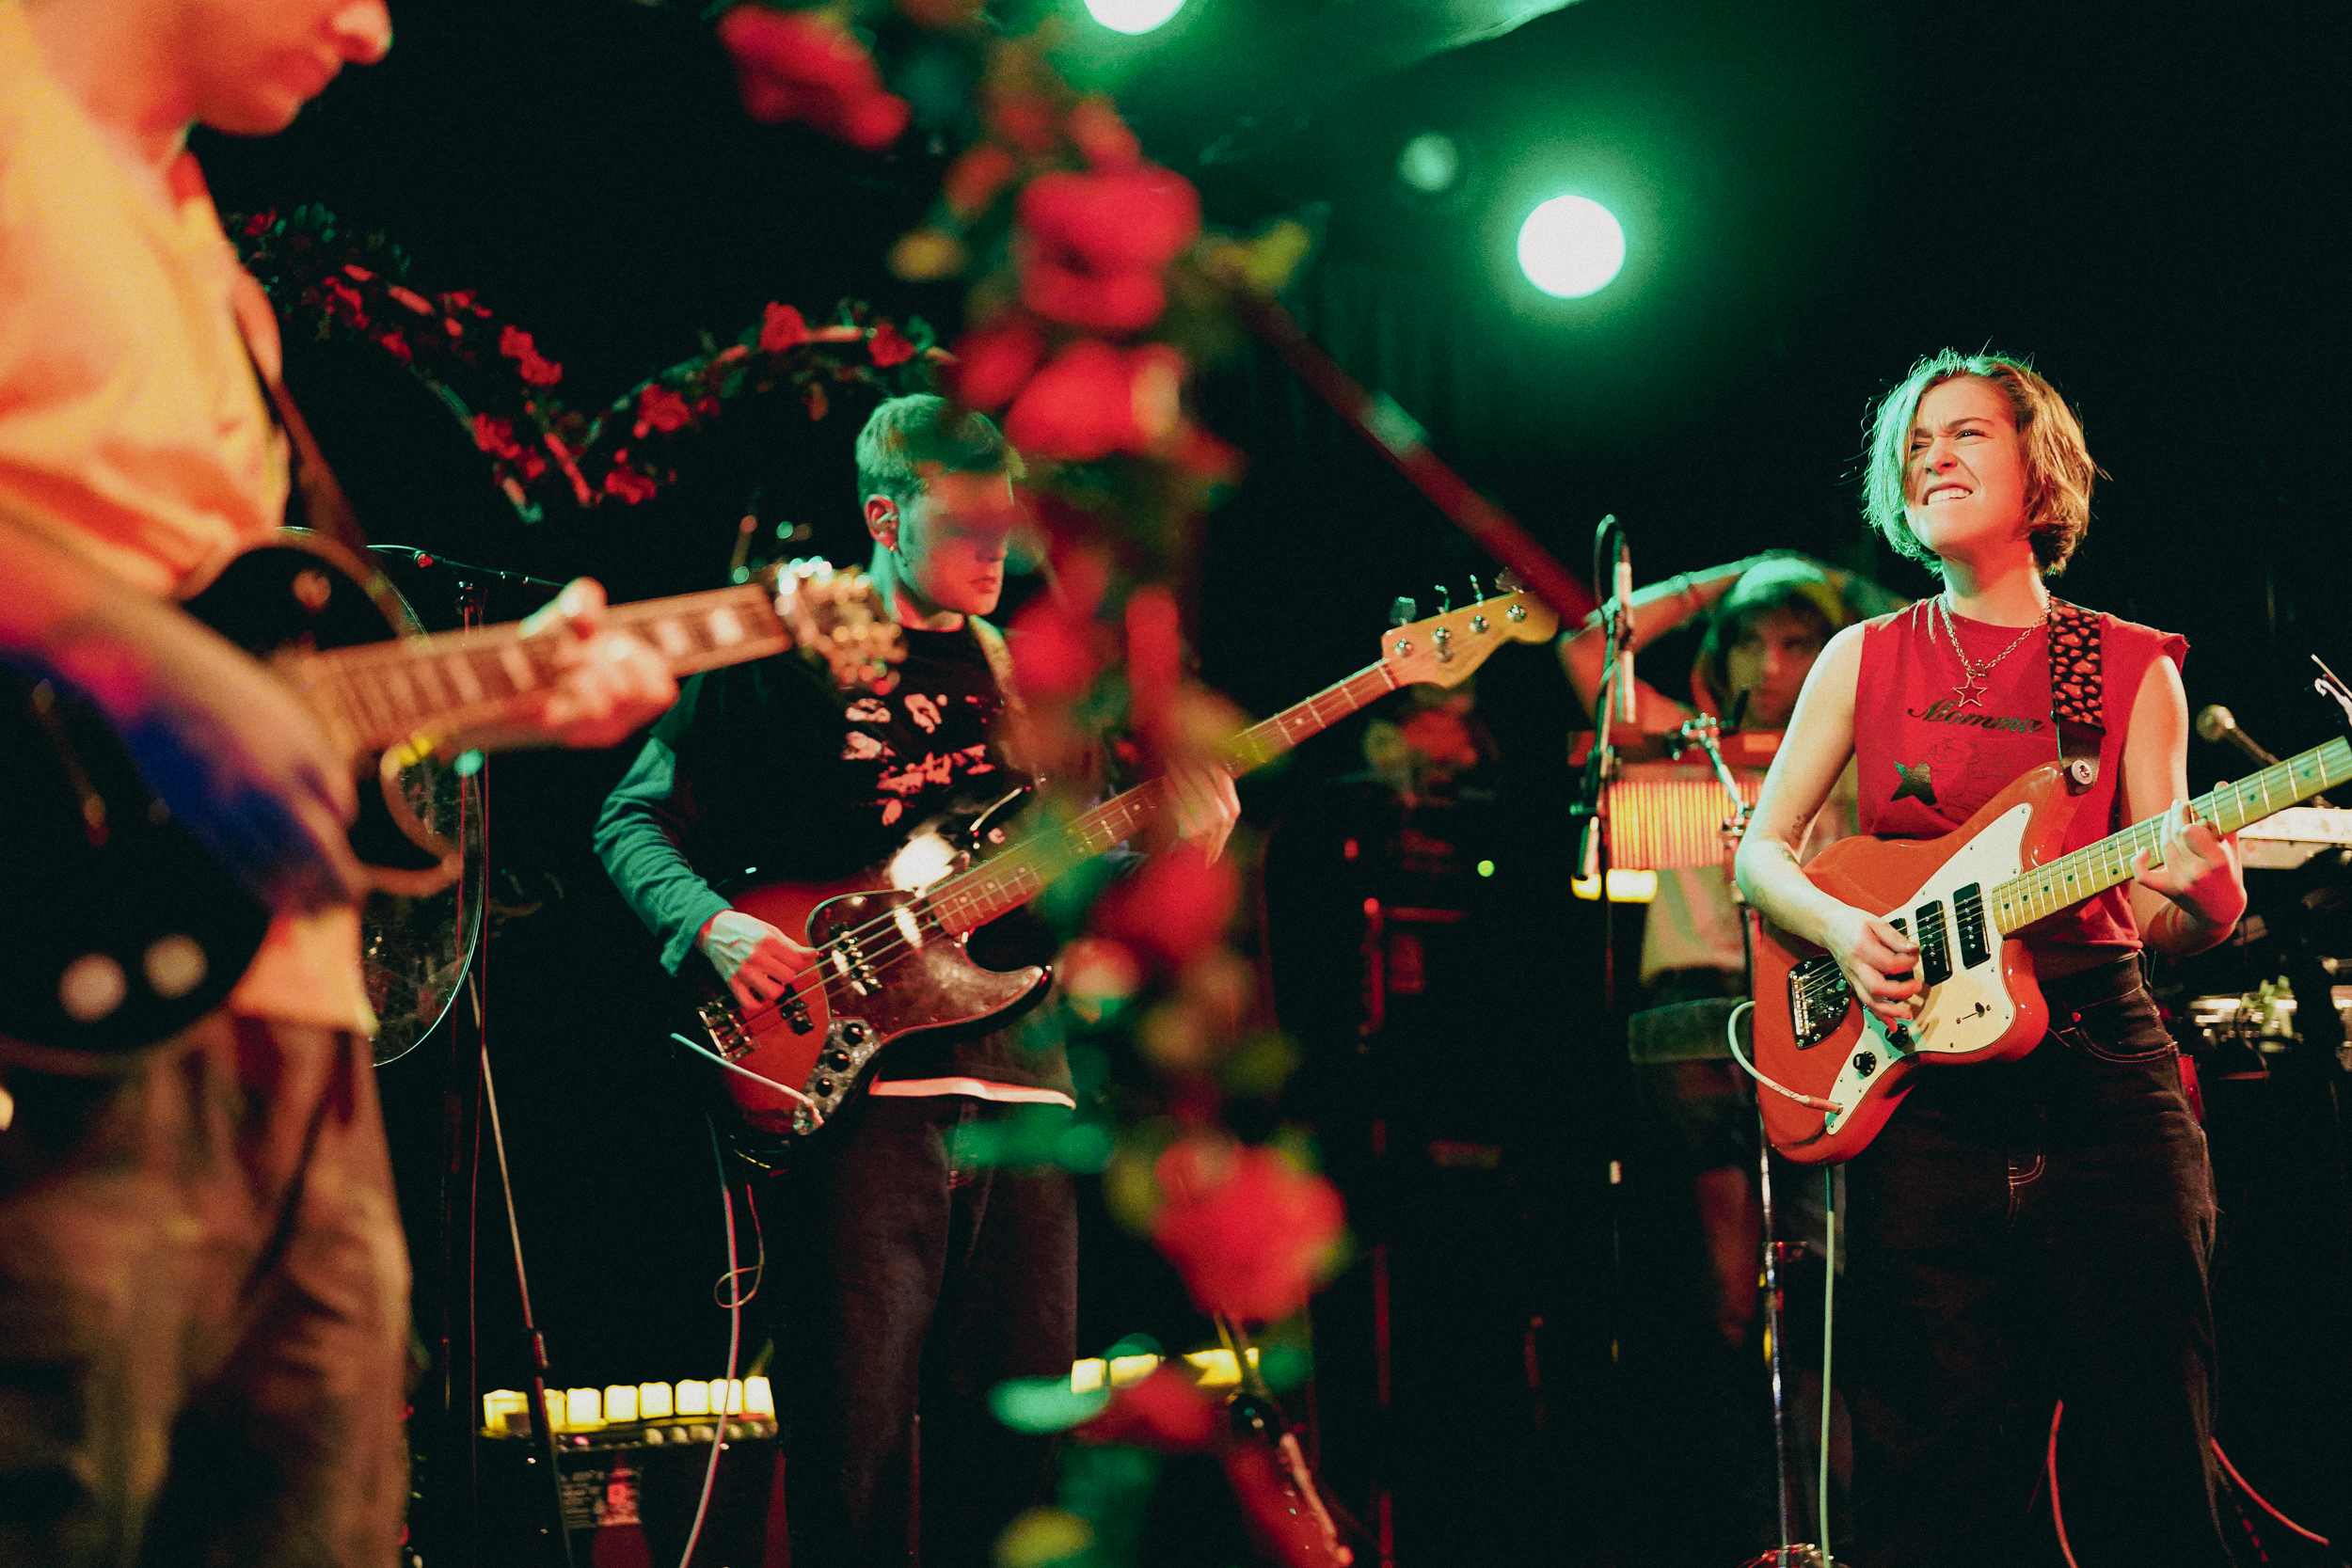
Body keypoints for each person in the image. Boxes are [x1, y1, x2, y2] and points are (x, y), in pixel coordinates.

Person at [0, 3, 677, 1562]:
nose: (371, 35)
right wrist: (146, 670)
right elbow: (180, 673)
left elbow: (257, 666)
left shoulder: (206, 252)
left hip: (293, 1023)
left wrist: (509, 700)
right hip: (48, 1024)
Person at [595, 393, 1238, 1565]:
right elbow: (632, 819)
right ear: (885, 516)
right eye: (966, 521)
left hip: (1028, 1098)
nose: (998, 546)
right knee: (853, 1459)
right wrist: (715, 928)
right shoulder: (786, 656)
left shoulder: (1037, 679)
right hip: (860, 1099)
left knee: (1017, 1464)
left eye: (1008, 519)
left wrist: (1180, 849)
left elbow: (1077, 893)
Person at [1734, 352, 2244, 1565]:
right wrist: (1841, 930)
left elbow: (2160, 910)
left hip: (2099, 1071)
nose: (1934, 458)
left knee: (2149, 1450)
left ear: (2038, 469)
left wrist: (2211, 895)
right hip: (1924, 1087)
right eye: (1916, 444)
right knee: (1930, 1465)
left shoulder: (2127, 664)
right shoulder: (1862, 654)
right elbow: (1760, 853)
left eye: (1965, 433)